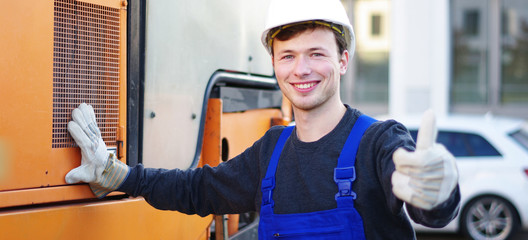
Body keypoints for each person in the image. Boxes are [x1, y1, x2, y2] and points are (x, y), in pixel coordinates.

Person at [65, 0, 460, 239]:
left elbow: (429, 208)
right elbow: (196, 189)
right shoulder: (271, 152)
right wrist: (118, 175)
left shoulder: (380, 142)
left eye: (316, 53)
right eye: (287, 56)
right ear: (273, 64)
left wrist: (438, 191)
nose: (301, 69)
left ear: (343, 61)